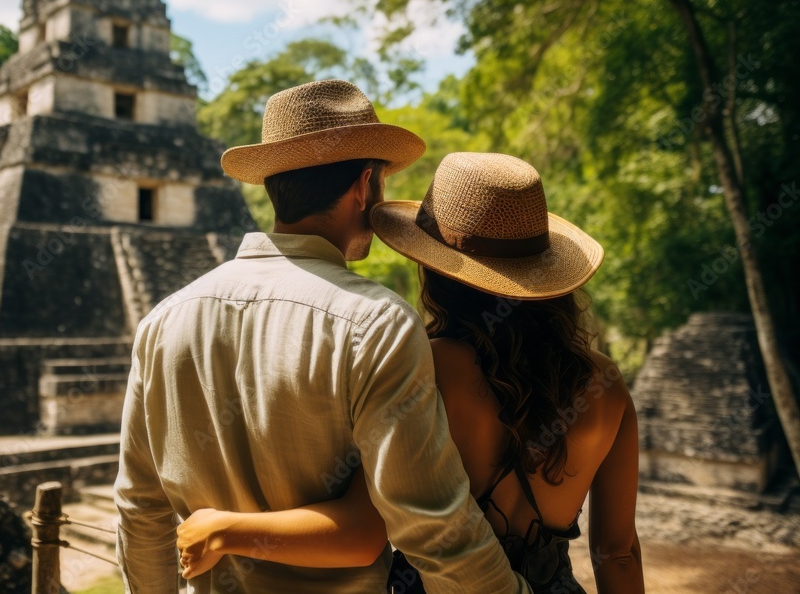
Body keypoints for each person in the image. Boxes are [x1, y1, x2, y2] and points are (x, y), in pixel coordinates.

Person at [114, 82, 530, 593]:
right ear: (364, 186)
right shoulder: (376, 323)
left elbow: (141, 507)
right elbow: (431, 525)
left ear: (275, 186)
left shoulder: (163, 322)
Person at [176, 152, 645, 593]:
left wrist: (224, 528)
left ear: (437, 270)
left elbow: (363, 526)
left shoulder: (426, 362)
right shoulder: (605, 384)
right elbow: (618, 553)